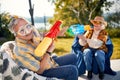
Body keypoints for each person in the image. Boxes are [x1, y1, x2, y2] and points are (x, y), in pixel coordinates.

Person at [8, 15, 78, 80]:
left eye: (28, 26)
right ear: (16, 35)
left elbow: (42, 34)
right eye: (22, 30)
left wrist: (57, 33)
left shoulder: (32, 32)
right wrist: (49, 51)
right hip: (43, 72)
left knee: (73, 57)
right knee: (72, 70)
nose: (27, 31)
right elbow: (40, 71)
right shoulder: (20, 51)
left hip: (50, 62)